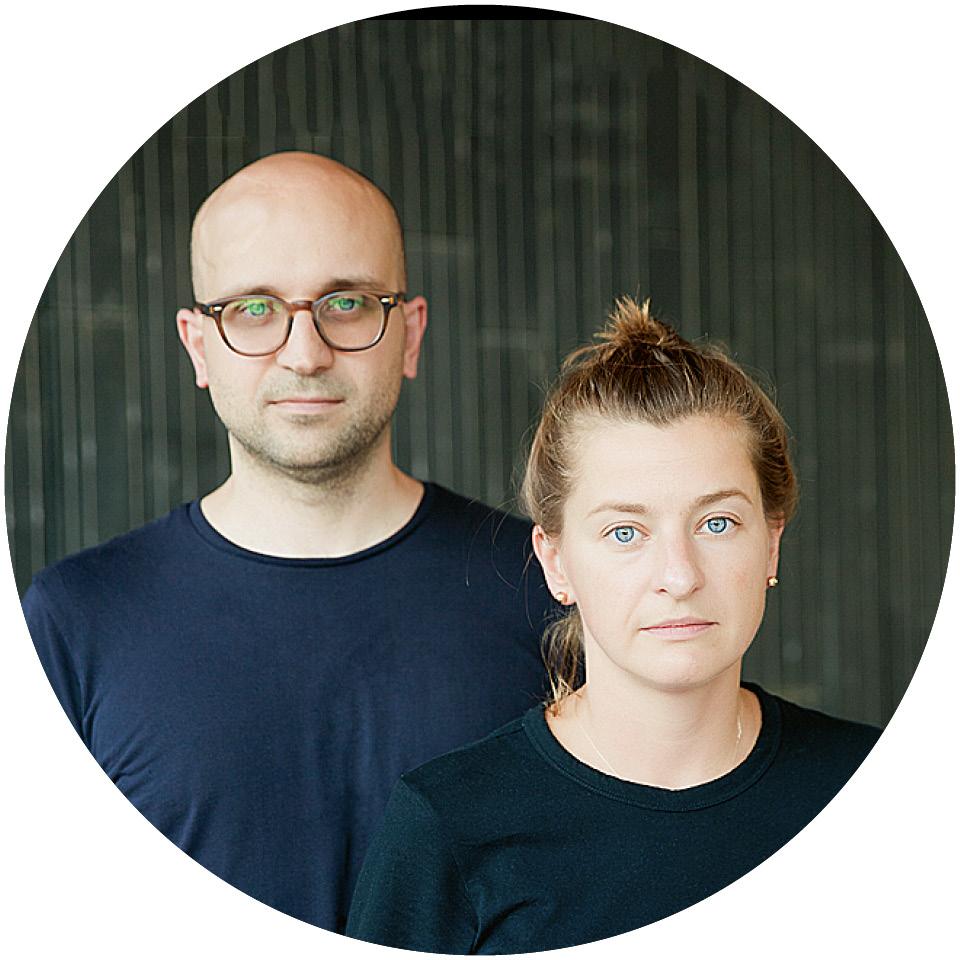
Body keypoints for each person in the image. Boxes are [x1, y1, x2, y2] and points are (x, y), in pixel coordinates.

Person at [22, 151, 552, 932]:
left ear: (409, 335)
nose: (305, 354)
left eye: (347, 302)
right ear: (198, 345)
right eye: (254, 308)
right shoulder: (75, 622)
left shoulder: (549, 587)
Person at [346, 297, 883, 953]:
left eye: (717, 523)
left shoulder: (877, 788)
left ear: (770, 545)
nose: (679, 576)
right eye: (625, 532)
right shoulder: (447, 829)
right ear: (556, 563)